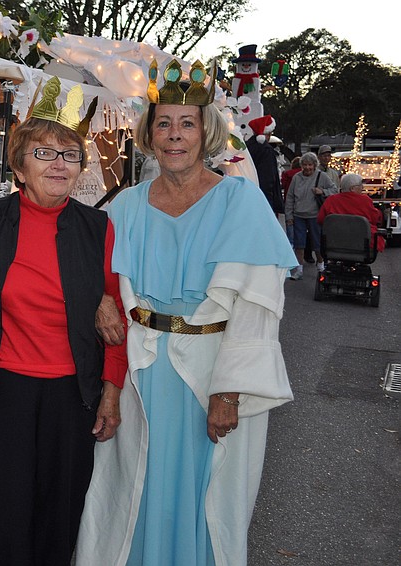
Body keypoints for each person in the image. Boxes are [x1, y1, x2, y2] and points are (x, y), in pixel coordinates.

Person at [75, 58, 297, 566]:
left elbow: (259, 306)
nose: (175, 135)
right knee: (132, 485)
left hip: (212, 372)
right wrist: (103, 298)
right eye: (164, 123)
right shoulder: (124, 206)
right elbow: (95, 276)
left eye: (187, 124)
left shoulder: (241, 201)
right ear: (149, 135)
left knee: (206, 492)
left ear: (206, 132)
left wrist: (229, 390)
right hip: (142, 372)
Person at [0, 77, 128, 566]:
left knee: (60, 521)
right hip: (5, 396)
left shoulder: (98, 228)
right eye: (44, 153)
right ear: (20, 167)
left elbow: (115, 319)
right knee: (5, 520)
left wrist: (110, 391)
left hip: (74, 398)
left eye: (69, 154)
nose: (59, 163)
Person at [284, 151, 338, 278]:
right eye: (305, 165)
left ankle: (320, 264)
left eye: (310, 165)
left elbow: (334, 190)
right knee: (299, 244)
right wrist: (289, 216)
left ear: (315, 165)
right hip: (298, 215)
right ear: (301, 165)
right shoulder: (296, 177)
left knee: (317, 243)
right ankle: (299, 269)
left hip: (315, 215)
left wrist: (322, 191)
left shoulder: (322, 176)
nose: (307, 168)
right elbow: (290, 197)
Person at [318, 173, 386, 252]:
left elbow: (320, 220)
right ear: (352, 188)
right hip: (361, 244)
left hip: (335, 243)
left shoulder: (331, 200)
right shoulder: (365, 200)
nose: (362, 187)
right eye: (360, 185)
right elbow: (375, 219)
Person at [246, 115, 284, 214]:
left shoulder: (247, 147)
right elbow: (268, 178)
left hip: (247, 193)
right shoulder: (266, 150)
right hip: (263, 196)